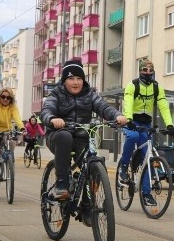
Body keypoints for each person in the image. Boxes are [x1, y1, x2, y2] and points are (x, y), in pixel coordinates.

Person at [40, 61, 127, 199]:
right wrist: (52, 119)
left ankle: (88, 207)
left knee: (94, 166)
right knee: (65, 136)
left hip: (81, 137)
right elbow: (46, 110)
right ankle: (61, 185)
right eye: (71, 78)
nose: (76, 82)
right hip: (58, 136)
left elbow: (103, 108)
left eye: (79, 78)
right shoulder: (56, 94)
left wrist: (118, 116)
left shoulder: (89, 94)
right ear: (64, 81)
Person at [118, 60, 174, 206]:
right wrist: (129, 119)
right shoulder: (133, 85)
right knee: (132, 136)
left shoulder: (157, 88)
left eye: (151, 71)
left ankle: (146, 193)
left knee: (146, 158)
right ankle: (124, 167)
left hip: (146, 123)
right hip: (132, 121)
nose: (148, 73)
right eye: (145, 70)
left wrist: (169, 124)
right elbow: (128, 103)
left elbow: (163, 105)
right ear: (140, 71)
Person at [0, 87, 24, 195]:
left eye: (8, 98)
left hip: (7, 131)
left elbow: (17, 118)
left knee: (11, 146)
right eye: (3, 97)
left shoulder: (13, 107)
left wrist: (21, 127)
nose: (5, 99)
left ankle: (9, 164)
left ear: (11, 99)